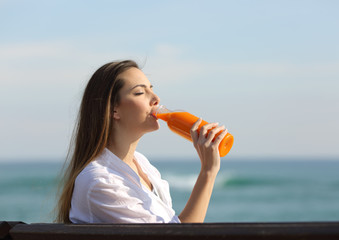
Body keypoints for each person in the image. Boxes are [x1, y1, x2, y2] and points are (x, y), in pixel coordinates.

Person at [56, 60, 228, 223]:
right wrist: (208, 171)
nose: (156, 99)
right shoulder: (101, 180)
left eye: (151, 89)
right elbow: (177, 237)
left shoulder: (142, 164)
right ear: (113, 110)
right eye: (140, 92)